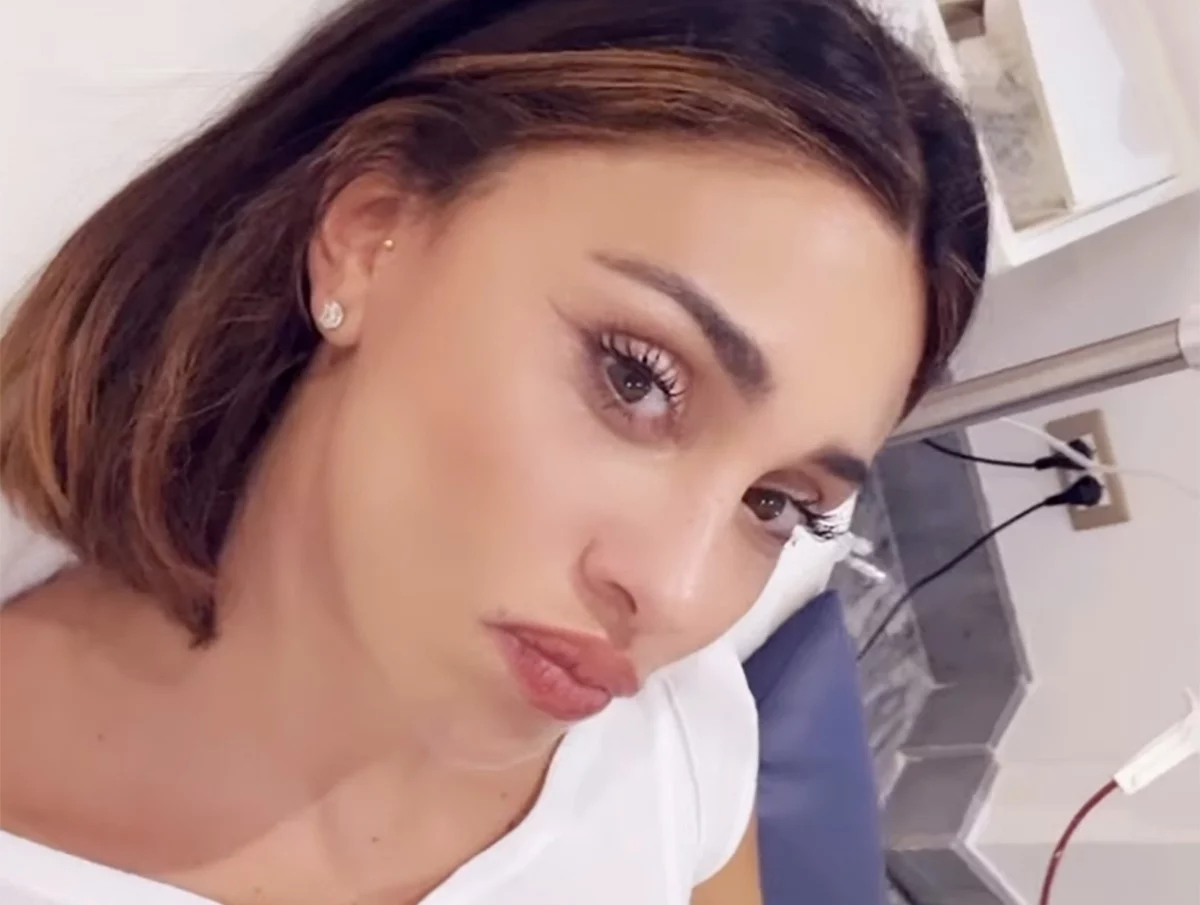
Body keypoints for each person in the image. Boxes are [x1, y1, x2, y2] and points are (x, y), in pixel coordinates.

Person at [0, 0, 988, 902]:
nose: (677, 596)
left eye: (776, 502)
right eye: (637, 379)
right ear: (370, 234)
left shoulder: (675, 746)